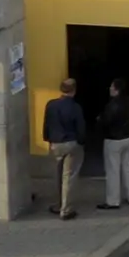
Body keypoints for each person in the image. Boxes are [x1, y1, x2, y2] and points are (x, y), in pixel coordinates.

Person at [40, 75, 89, 219]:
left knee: (57, 175)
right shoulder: (76, 107)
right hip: (72, 143)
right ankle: (66, 209)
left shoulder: (51, 104)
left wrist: (47, 138)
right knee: (69, 176)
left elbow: (47, 124)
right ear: (74, 90)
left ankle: (58, 203)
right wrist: (82, 141)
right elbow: (81, 128)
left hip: (55, 143)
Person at [97, 77, 129, 211]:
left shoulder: (112, 105)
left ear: (117, 90)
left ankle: (113, 201)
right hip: (128, 138)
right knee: (127, 168)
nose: (110, 89)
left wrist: (99, 120)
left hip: (114, 140)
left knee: (113, 171)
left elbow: (107, 121)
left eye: (112, 87)